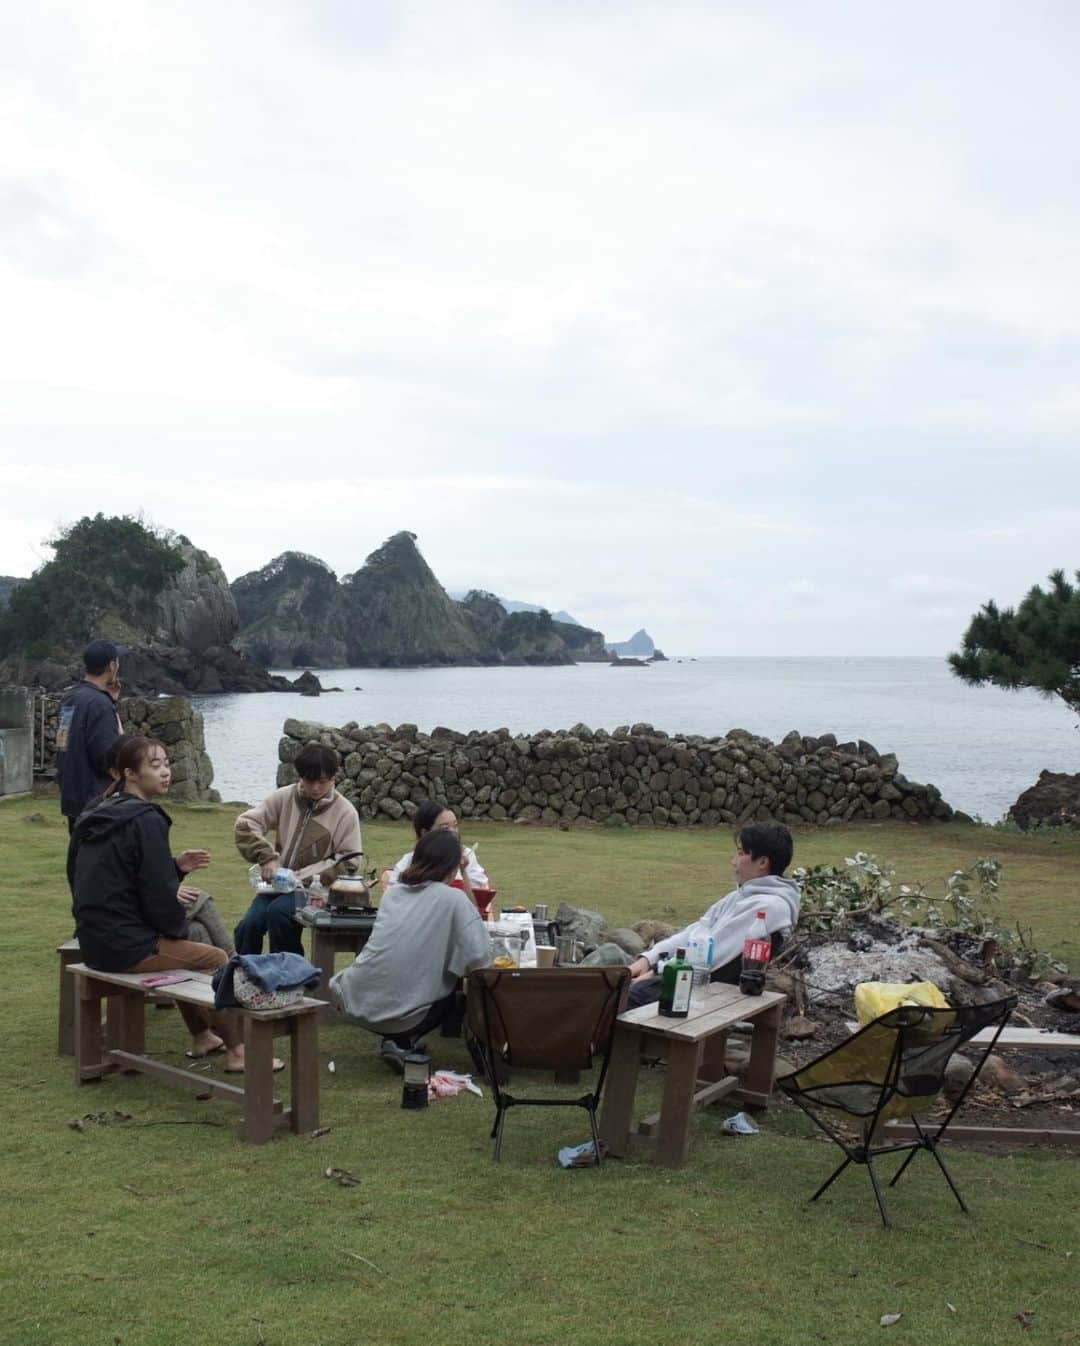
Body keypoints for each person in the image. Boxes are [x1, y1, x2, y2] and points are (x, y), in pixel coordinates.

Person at [67, 735, 262, 1071]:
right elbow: (158, 896)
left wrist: (175, 867)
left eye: (167, 764)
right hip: (122, 946)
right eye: (154, 766)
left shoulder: (96, 811)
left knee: (191, 938)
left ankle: (202, 1036)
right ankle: (239, 1052)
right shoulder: (146, 819)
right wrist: (175, 927)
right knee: (212, 956)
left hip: (92, 937)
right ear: (130, 774)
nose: (165, 772)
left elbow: (95, 874)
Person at [331, 829, 491, 1068]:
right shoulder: (453, 899)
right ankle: (403, 1041)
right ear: (451, 865)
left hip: (352, 997)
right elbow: (479, 961)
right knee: (455, 994)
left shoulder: (393, 894)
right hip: (404, 1014)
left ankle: (399, 1041)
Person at [625, 821, 800, 1010]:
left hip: (705, 990)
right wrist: (648, 959)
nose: (733, 861)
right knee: (609, 983)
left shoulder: (769, 908)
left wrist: (655, 972)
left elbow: (712, 956)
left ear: (763, 862)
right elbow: (696, 931)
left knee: (620, 997)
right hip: (689, 977)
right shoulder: (739, 897)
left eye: (741, 853)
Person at [233, 743, 363, 955]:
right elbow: (245, 824)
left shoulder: (345, 812)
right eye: (310, 780)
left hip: (317, 891)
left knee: (278, 915)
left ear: (333, 778)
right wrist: (267, 857)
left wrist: (305, 878)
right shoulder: (284, 797)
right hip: (277, 885)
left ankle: (290, 981)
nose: (315, 788)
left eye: (322, 782)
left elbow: (350, 860)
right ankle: (246, 977)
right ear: (300, 776)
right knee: (249, 925)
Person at [56, 639, 124, 833]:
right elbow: (106, 757)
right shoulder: (99, 704)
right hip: (96, 802)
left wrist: (111, 701)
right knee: (99, 860)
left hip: (72, 796)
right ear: (112, 666)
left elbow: (63, 743)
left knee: (80, 858)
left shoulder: (70, 697)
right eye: (117, 662)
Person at [380, 801, 489, 907]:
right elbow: (394, 904)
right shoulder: (407, 864)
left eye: (455, 826)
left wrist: (463, 871)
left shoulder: (466, 858)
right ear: (425, 833)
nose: (453, 832)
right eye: (445, 828)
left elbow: (476, 904)